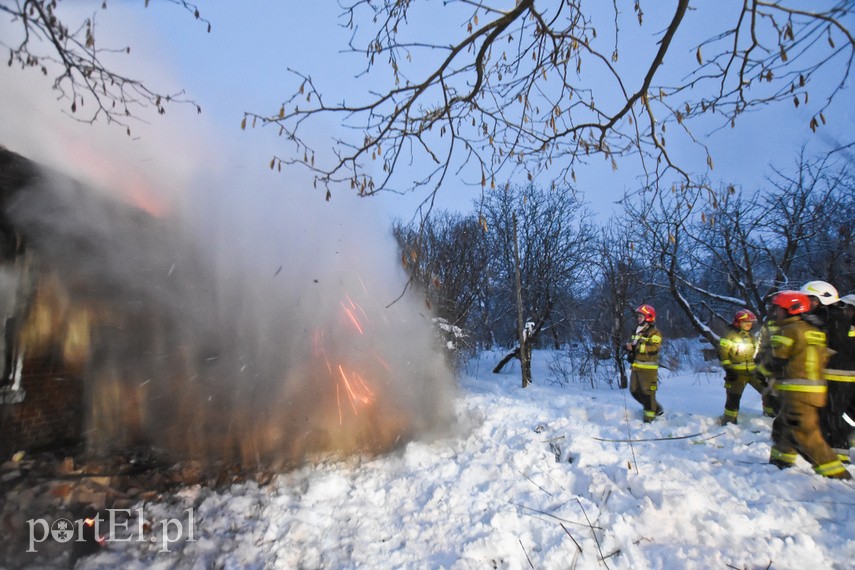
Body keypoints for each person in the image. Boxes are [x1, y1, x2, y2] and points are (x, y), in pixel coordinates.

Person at [766, 290, 851, 479]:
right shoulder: (814, 331)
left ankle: (838, 475)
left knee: (807, 435)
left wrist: (763, 371)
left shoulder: (790, 330)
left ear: (791, 310)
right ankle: (780, 463)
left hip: (798, 392)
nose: (775, 313)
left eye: (779, 309)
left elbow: (775, 359)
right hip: (813, 391)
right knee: (784, 426)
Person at [800, 281, 852, 464]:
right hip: (832, 375)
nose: (807, 304)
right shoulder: (828, 315)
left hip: (838, 376)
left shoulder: (833, 317)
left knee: (833, 416)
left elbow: (834, 345)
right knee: (830, 415)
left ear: (823, 299)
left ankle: (838, 454)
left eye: (811, 300)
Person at [718, 309, 776, 424]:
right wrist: (729, 369)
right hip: (736, 373)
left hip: (752, 371)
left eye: (750, 323)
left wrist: (761, 368)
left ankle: (770, 416)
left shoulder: (751, 336)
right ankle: (729, 420)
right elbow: (722, 353)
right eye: (746, 323)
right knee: (734, 396)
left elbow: (756, 352)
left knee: (767, 391)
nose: (749, 325)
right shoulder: (729, 335)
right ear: (738, 322)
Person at [625, 304, 663, 423]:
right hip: (636, 367)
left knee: (648, 393)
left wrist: (636, 347)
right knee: (634, 391)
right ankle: (655, 408)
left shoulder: (654, 333)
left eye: (641, 317)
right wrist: (628, 349)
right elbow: (633, 345)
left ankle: (649, 418)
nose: (638, 319)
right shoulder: (636, 331)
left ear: (648, 318)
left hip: (648, 369)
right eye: (638, 316)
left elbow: (654, 348)